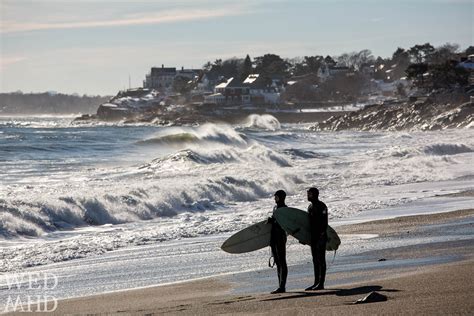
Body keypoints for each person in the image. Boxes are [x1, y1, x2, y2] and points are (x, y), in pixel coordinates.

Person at [305, 187, 328, 291]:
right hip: (313, 237)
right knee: (315, 260)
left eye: (309, 194)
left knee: (321, 260)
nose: (307, 195)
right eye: (308, 193)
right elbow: (308, 225)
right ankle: (316, 282)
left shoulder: (322, 206)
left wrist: (321, 236)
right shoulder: (310, 207)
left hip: (321, 237)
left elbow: (325, 223)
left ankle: (321, 283)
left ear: (314, 195)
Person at [268, 190, 288, 294]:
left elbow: (284, 224)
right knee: (277, 261)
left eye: (276, 196)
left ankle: (282, 286)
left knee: (282, 261)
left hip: (280, 237)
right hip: (274, 237)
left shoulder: (285, 209)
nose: (274, 198)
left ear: (281, 197)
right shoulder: (275, 208)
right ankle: (280, 285)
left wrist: (274, 222)